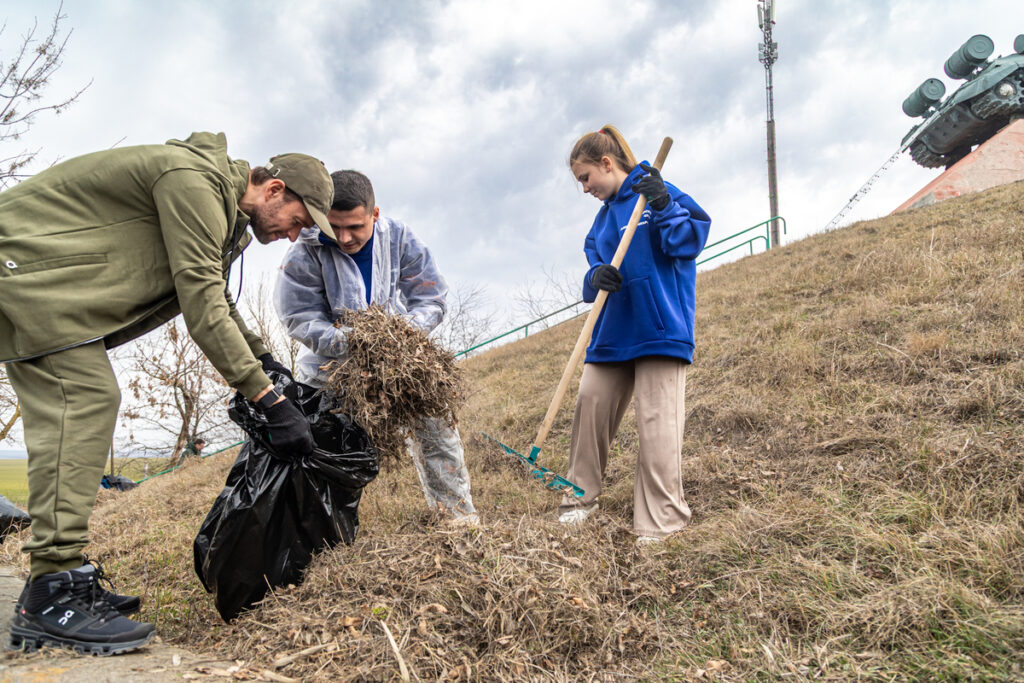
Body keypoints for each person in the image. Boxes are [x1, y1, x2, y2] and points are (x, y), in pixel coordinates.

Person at [0, 132, 333, 654]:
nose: (295, 234)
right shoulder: (193, 182)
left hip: (50, 289)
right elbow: (199, 304)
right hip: (28, 275)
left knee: (85, 399)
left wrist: (266, 365)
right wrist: (266, 399)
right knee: (85, 398)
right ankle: (50, 592)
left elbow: (215, 298)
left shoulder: (220, 210)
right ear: (273, 189)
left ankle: (63, 574)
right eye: (298, 219)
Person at [275, 170, 478, 524]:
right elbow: (299, 316)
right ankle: (322, 533)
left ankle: (457, 521)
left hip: (400, 359)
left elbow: (431, 296)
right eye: (334, 227)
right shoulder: (306, 251)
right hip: (333, 368)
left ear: (375, 214)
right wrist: (350, 341)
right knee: (322, 448)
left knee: (437, 433)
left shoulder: (398, 238)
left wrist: (400, 337)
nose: (344, 237)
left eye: (355, 226)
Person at [556, 125, 711, 545]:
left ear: (607, 164)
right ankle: (579, 498)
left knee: (657, 423)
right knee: (590, 402)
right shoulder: (602, 220)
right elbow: (593, 269)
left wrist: (662, 205)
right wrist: (596, 274)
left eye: (586, 177)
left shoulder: (658, 190)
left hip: (659, 328)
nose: (585, 188)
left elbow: (687, 242)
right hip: (611, 332)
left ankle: (662, 520)